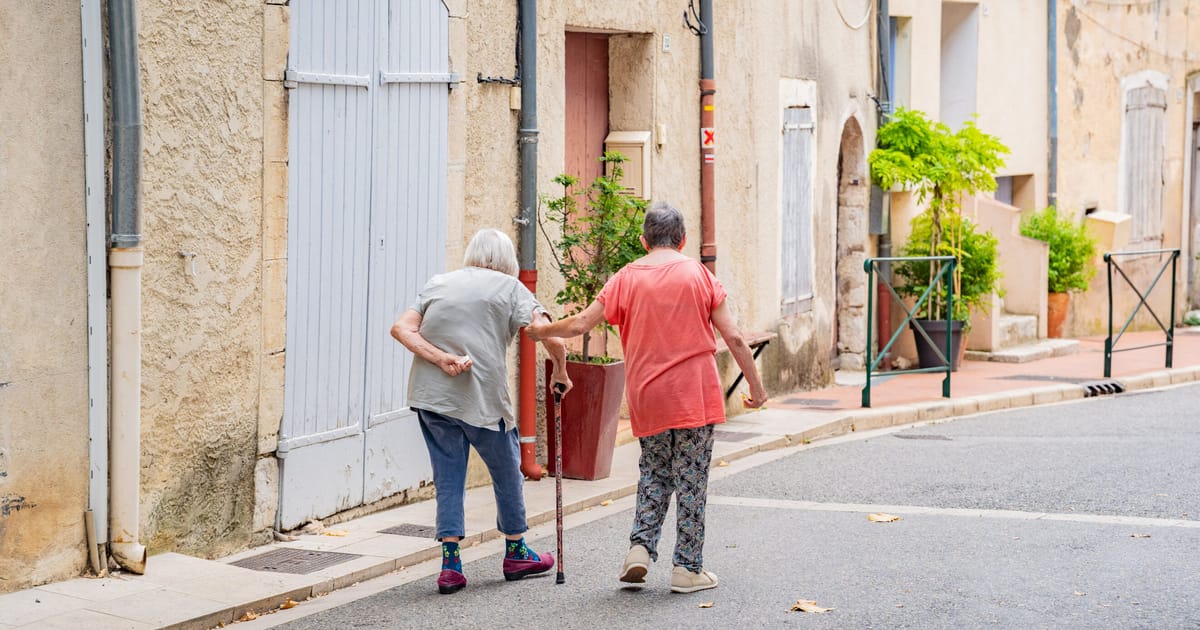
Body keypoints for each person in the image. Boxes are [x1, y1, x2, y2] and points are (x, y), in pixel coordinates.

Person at [527, 201, 767, 594]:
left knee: (655, 472)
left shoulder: (625, 277)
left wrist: (543, 331)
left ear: (644, 240)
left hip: (647, 395)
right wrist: (756, 389)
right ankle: (687, 568)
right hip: (694, 396)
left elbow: (584, 322)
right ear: (684, 239)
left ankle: (639, 548)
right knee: (691, 480)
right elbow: (735, 337)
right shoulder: (699, 275)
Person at [390, 228, 572, 595]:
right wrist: (561, 370)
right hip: (483, 400)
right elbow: (547, 333)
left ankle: (451, 566)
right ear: (508, 262)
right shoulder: (511, 287)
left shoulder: (438, 283)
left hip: (434, 398)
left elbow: (401, 329)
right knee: (507, 471)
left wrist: (442, 360)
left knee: (448, 477)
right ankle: (517, 551)